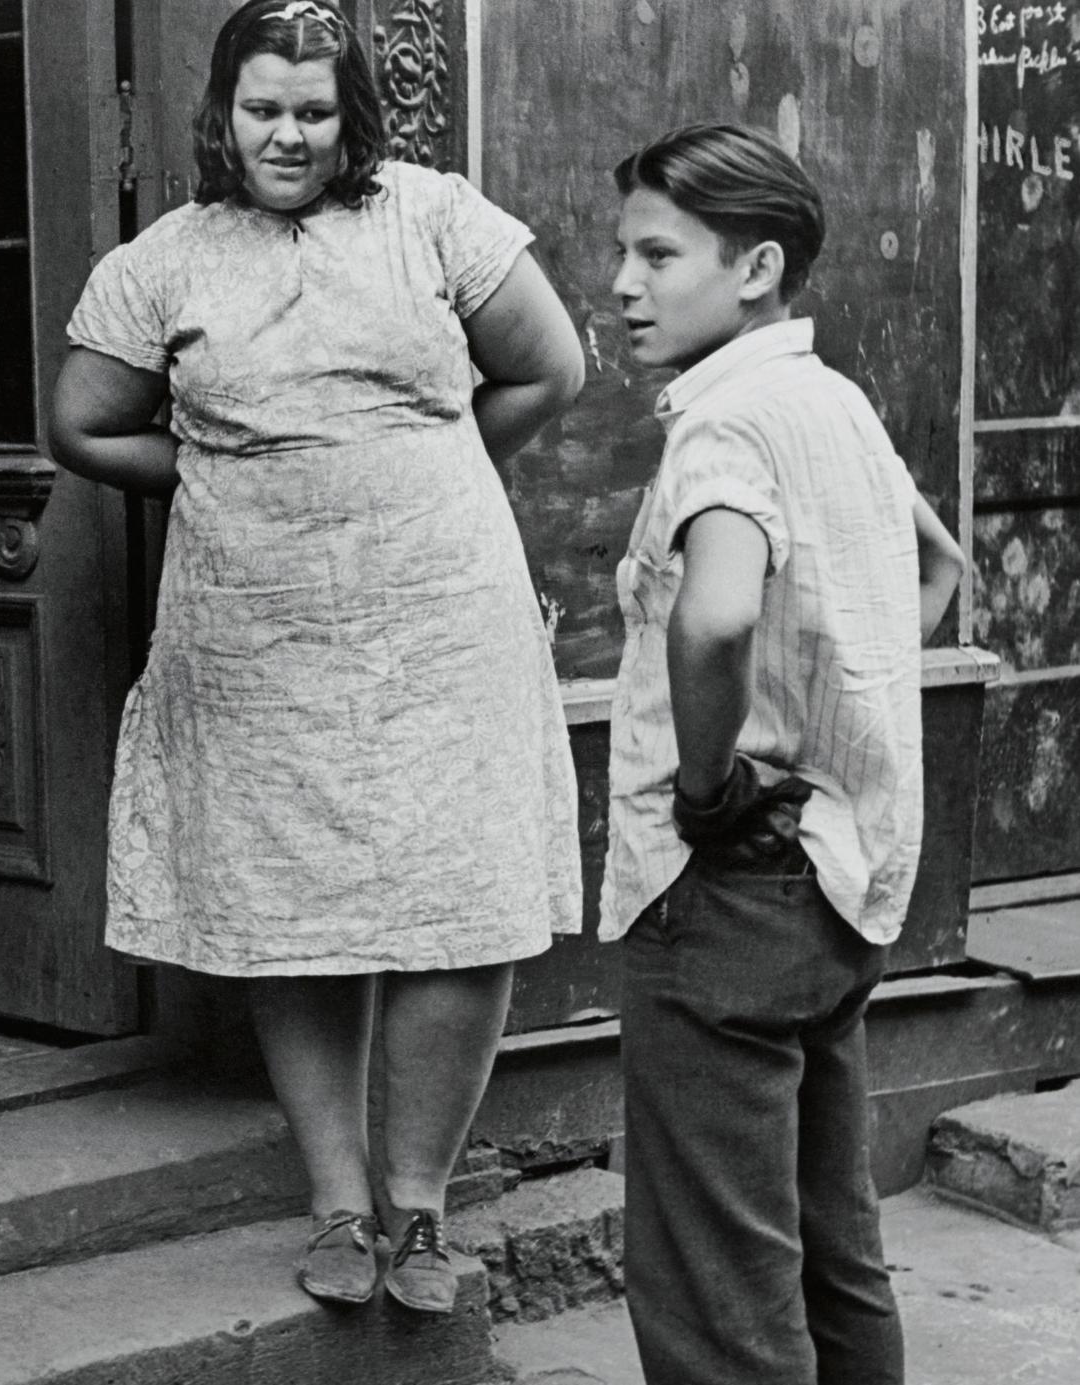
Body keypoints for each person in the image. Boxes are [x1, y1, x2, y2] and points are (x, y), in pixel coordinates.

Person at [48, 0, 584, 1316]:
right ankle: (339, 1202)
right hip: (255, 622)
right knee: (297, 916)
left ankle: (417, 1210)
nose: (288, 132)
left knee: (457, 900)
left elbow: (549, 369)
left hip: (441, 609)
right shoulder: (165, 260)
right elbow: (80, 423)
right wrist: (217, 468)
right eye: (263, 108)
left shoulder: (434, 217)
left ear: (351, 115)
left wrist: (423, 472)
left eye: (314, 108)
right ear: (221, 116)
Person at [599, 122, 965, 1384]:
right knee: (828, 1247)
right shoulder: (832, 400)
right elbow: (939, 566)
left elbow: (714, 612)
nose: (623, 284)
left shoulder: (726, 426)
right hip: (834, 875)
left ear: (754, 268)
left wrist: (710, 781)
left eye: (657, 254)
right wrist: (836, 720)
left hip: (728, 887)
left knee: (717, 1290)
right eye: (623, 253)